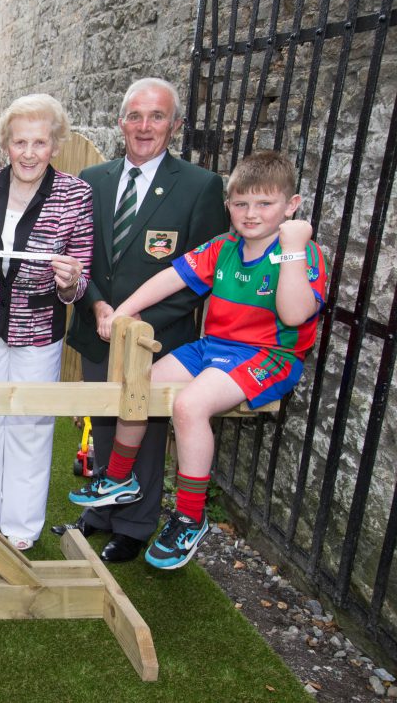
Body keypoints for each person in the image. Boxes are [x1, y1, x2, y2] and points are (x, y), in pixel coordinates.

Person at [69, 151, 327, 569]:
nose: (251, 213)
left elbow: (296, 314)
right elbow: (169, 278)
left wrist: (294, 248)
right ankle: (119, 476)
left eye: (265, 204)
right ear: (229, 206)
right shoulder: (223, 246)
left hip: (268, 354)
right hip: (214, 347)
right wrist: (122, 312)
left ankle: (190, 516)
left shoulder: (302, 254)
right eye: (241, 203)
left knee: (189, 406)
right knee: (138, 386)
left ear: (291, 206)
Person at [58, 78, 229, 562]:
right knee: (105, 419)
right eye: (135, 115)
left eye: (157, 116)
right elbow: (78, 253)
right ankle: (98, 514)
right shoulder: (91, 180)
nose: (144, 126)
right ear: (121, 123)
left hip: (159, 339)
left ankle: (133, 526)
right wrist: (95, 304)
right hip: (96, 323)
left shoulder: (200, 186)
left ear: (175, 125)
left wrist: (139, 321)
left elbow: (203, 272)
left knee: (146, 429)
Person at [0, 94, 93, 551]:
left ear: (55, 145)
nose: (29, 153)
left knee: (30, 423)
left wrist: (69, 281)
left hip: (40, 329)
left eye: (40, 142)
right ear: (5, 144)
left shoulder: (76, 194)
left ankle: (22, 528)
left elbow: (78, 283)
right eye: (19, 142)